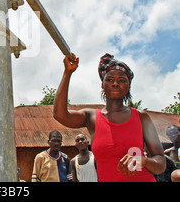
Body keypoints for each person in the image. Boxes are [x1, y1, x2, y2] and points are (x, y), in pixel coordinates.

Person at [53, 53, 166, 182]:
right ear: (102, 84)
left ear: (129, 86)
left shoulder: (141, 117)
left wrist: (144, 161)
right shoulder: (92, 117)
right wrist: (67, 73)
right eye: (110, 79)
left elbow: (161, 163)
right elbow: (59, 115)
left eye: (122, 80)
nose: (115, 84)